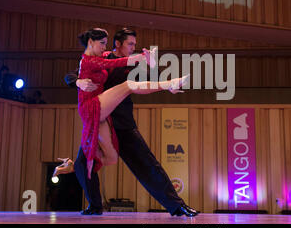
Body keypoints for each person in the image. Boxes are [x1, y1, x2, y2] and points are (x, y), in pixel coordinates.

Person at [55, 28, 193, 216]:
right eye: (130, 44)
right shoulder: (101, 58)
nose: (133, 48)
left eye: (135, 45)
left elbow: (152, 79)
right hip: (101, 122)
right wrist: (78, 82)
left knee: (148, 165)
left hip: (123, 124)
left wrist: (160, 74)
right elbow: (71, 75)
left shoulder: (134, 64)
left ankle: (177, 206)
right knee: (82, 164)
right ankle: (95, 206)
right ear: (117, 44)